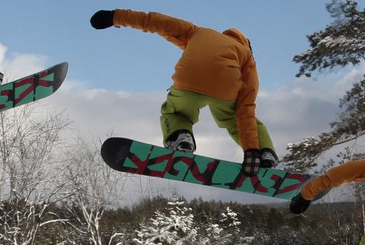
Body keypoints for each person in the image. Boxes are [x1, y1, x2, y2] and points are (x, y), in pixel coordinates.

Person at [89, 9, 276, 172]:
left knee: (176, 112)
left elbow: (157, 22)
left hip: (189, 79)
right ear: (247, 46)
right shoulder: (246, 57)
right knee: (234, 118)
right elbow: (246, 107)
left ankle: (180, 137)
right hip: (226, 87)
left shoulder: (197, 32)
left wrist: (115, 17)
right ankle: (264, 153)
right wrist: (251, 150)